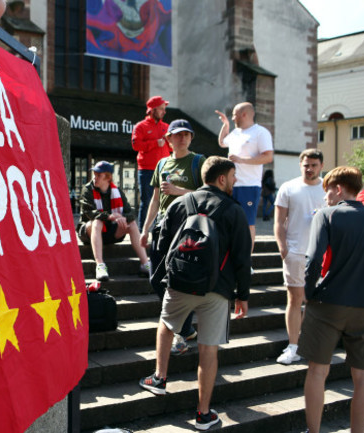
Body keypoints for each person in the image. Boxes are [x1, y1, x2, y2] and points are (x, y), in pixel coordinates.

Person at [139, 156, 251, 431]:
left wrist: (163, 279)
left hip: (180, 282)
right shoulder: (234, 210)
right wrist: (243, 295)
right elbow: (242, 258)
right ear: (222, 179)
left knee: (166, 326)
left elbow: (161, 246)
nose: (235, 181)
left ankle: (159, 378)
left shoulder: (179, 204)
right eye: (233, 176)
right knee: (208, 349)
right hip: (218, 289)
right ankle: (203, 414)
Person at [299, 166, 364, 433]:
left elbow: (313, 260)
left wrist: (309, 293)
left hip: (328, 303)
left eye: (327, 191)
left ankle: (313, 431)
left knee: (317, 371)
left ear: (338, 189)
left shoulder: (327, 214)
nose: (325, 197)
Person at [139, 119, 206, 354]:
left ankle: (181, 330)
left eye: (187, 135)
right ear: (168, 139)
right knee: (155, 279)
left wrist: (179, 191)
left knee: (178, 281)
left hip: (187, 229)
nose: (183, 138)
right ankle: (186, 328)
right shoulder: (161, 164)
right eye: (178, 135)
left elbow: (207, 196)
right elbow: (155, 199)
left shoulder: (198, 162)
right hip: (162, 227)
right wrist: (145, 228)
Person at [273, 149, 325, 365]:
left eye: (314, 165)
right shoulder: (289, 187)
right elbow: (278, 221)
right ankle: (293, 346)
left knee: (319, 302)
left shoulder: (328, 187)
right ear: (300, 165)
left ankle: (313, 344)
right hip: (295, 251)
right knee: (294, 300)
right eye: (306, 165)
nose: (310, 169)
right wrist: (282, 247)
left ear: (321, 165)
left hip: (321, 255)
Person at [215, 102, 274, 255]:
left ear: (244, 114)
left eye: (234, 114)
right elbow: (222, 142)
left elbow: (268, 157)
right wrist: (226, 125)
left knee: (248, 223)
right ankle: (230, 257)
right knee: (228, 222)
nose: (233, 117)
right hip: (229, 185)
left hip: (248, 185)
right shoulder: (235, 133)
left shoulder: (260, 132)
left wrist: (242, 160)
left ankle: (246, 260)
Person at [77, 161, 150, 281]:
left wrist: (123, 218)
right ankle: (100, 265)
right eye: (94, 174)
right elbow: (88, 212)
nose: (94, 177)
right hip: (88, 232)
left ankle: (145, 264)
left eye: (98, 175)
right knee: (97, 221)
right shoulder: (87, 189)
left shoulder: (117, 191)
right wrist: (109, 216)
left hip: (110, 232)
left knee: (131, 224)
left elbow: (130, 212)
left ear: (108, 177)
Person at [132, 96, 171, 231]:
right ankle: (144, 231)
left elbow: (173, 148)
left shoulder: (166, 127)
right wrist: (155, 143)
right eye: (161, 109)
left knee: (166, 200)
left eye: (164, 109)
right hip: (147, 169)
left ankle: (162, 230)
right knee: (147, 201)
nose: (164, 112)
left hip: (165, 169)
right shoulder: (141, 126)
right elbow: (136, 145)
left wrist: (170, 142)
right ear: (152, 110)